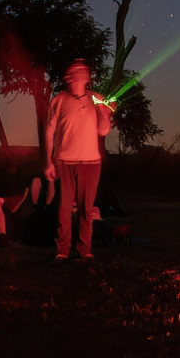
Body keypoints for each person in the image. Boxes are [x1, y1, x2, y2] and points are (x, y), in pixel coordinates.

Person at [44, 59, 115, 262]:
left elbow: (103, 130)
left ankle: (85, 250)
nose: (81, 73)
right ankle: (63, 250)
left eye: (84, 71)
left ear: (87, 77)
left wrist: (104, 113)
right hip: (65, 161)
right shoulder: (59, 100)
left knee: (86, 208)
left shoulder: (96, 99)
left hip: (91, 161)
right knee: (64, 208)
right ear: (69, 76)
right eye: (76, 70)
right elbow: (49, 132)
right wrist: (49, 161)